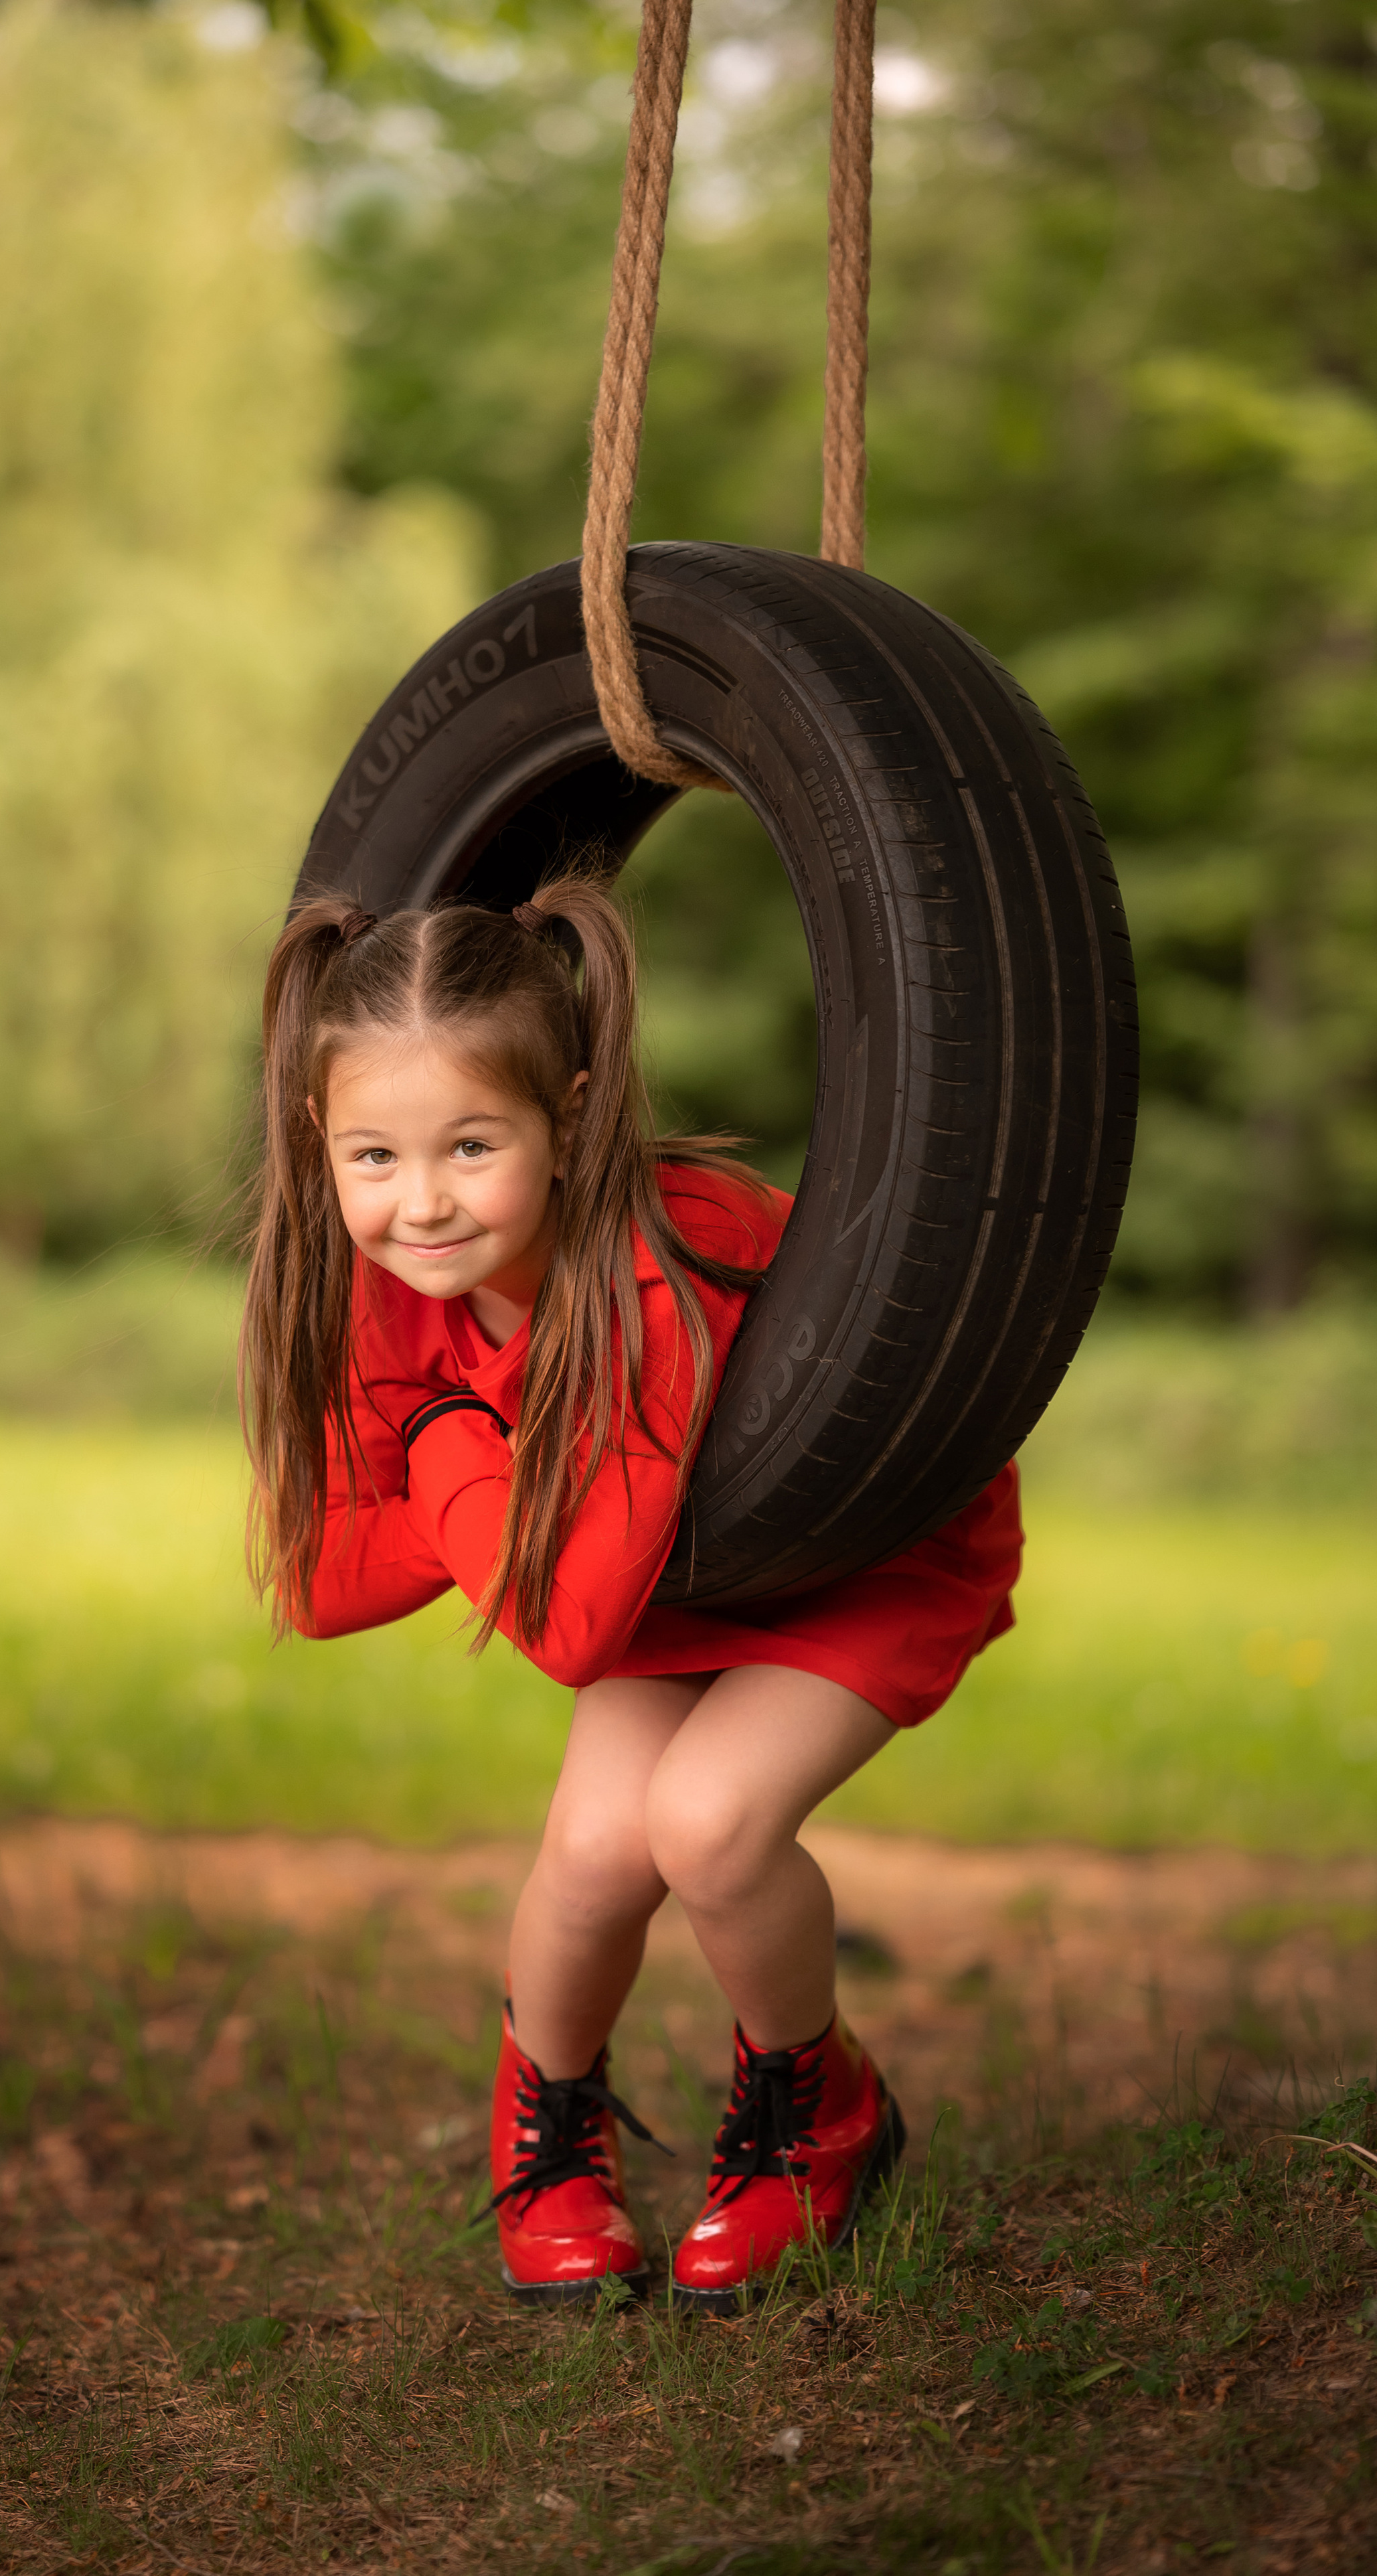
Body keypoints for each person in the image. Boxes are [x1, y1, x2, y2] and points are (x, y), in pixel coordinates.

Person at [238, 877, 1022, 2312]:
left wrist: (441, 1443)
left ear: (571, 1116)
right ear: (319, 1141)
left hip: (857, 1551)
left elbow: (570, 1627)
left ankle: (818, 2112)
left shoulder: (651, 1259)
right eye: (372, 1155)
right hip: (655, 1565)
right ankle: (546, 2138)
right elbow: (318, 1577)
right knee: (597, 1852)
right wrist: (470, 1458)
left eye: (471, 1146)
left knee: (707, 1823)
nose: (419, 1203)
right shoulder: (387, 1281)